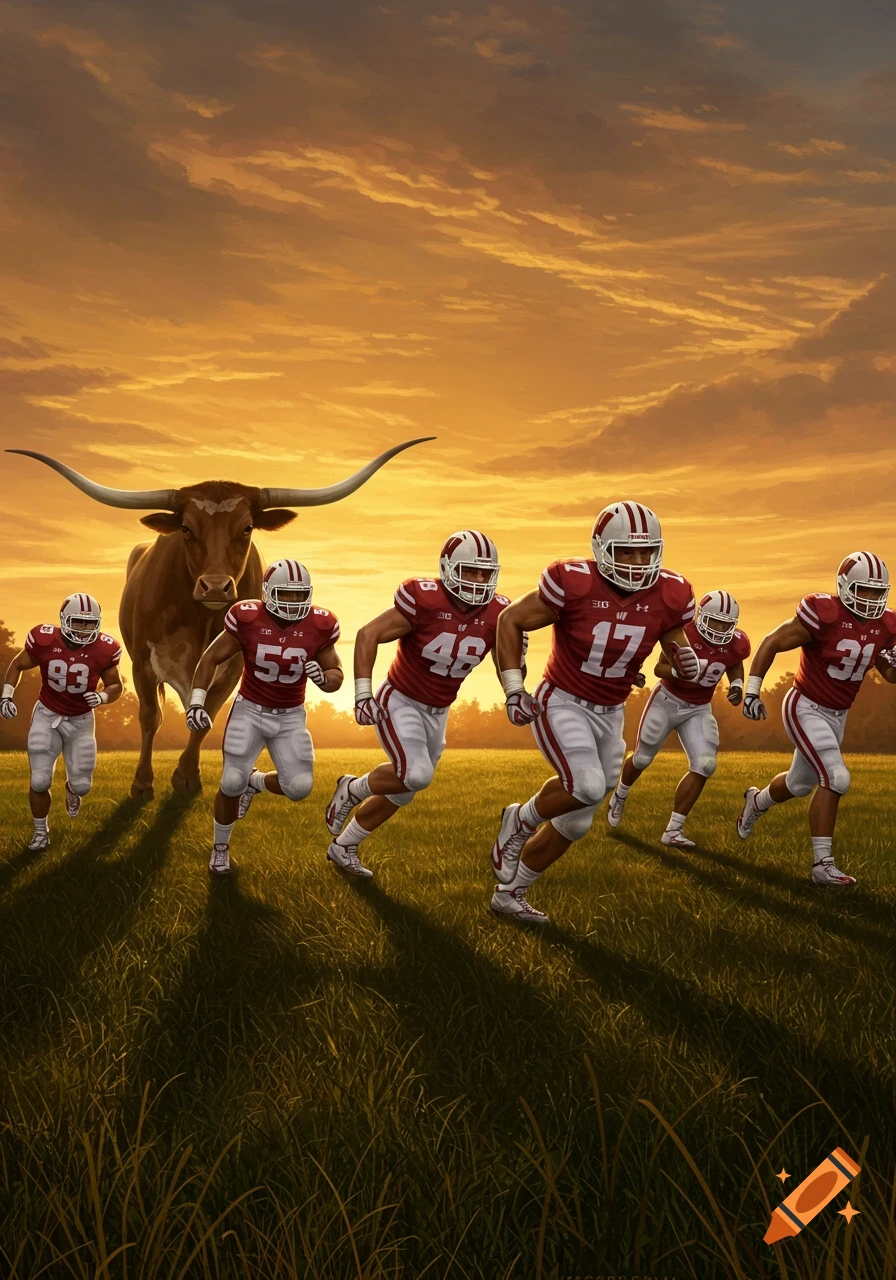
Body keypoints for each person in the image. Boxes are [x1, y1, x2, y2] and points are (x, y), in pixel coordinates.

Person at [489, 501, 698, 924]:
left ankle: (510, 893)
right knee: (584, 784)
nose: (638, 563)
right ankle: (521, 818)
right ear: (602, 549)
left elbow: (668, 631)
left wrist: (682, 652)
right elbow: (510, 620)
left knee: (578, 822)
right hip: (563, 700)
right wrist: (514, 689)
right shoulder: (574, 582)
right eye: (627, 552)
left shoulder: (672, 592)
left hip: (612, 709)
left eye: (646, 552)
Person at [325, 531, 514, 877]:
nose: (477, 580)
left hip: (439, 711)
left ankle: (344, 846)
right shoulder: (425, 599)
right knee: (415, 775)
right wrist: (363, 693)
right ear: (447, 568)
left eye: (484, 573)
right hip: (400, 700)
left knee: (404, 791)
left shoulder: (499, 613)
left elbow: (507, 664)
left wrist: (516, 685)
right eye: (469, 571)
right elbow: (369, 634)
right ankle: (352, 788)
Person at [737, 552, 896, 887]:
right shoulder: (824, 613)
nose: (870, 599)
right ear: (844, 586)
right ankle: (822, 865)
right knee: (836, 777)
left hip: (838, 714)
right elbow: (772, 642)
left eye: (877, 592)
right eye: (863, 590)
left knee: (799, 784)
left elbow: (889, 674)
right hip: (805, 706)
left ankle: (757, 800)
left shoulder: (886, 626)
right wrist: (752, 691)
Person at [186, 559, 342, 875]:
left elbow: (336, 673)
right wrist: (197, 702)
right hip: (250, 711)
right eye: (285, 594)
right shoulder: (248, 618)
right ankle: (220, 849)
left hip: (290, 716)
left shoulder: (320, 625)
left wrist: (324, 679)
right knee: (230, 781)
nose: (293, 602)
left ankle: (255, 782)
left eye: (300, 595)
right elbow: (211, 658)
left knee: (298, 788)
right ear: (268, 593)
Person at [606, 590, 750, 847]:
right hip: (667, 701)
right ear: (701, 617)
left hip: (699, 707)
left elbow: (734, 661)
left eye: (725, 624)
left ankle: (673, 830)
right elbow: (658, 668)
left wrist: (737, 684)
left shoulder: (736, 643)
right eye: (714, 621)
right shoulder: (685, 633)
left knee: (705, 765)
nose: (719, 629)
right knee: (641, 758)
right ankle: (620, 794)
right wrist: (677, 671)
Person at [1, 593, 122, 851]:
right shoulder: (44, 639)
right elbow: (17, 664)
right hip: (47, 714)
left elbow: (116, 686)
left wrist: (102, 696)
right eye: (78, 622)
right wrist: (6, 696)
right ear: (65, 619)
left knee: (82, 786)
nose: (84, 629)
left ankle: (71, 787)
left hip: (81, 721)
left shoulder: (105, 648)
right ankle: (40, 832)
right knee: (39, 781)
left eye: (90, 624)